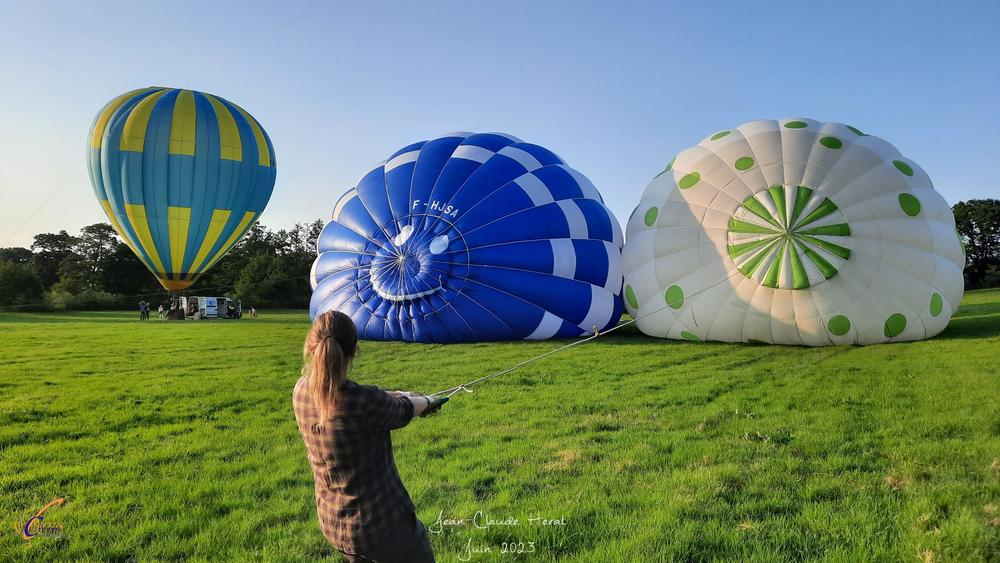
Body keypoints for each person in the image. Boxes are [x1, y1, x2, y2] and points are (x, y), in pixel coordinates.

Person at [293, 311, 446, 562]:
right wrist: (428, 400)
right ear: (355, 350)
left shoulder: (300, 390)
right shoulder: (363, 402)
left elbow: (365, 398)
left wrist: (395, 393)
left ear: (311, 345)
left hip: (335, 524)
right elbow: (406, 410)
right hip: (382, 528)